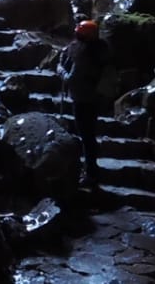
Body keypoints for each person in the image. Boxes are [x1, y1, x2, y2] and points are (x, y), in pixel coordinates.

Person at [61, 18, 110, 185]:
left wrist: (61, 70)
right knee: (89, 134)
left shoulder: (83, 54)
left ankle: (91, 172)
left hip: (82, 97)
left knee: (86, 135)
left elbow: (72, 78)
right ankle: (92, 169)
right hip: (95, 96)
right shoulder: (101, 49)